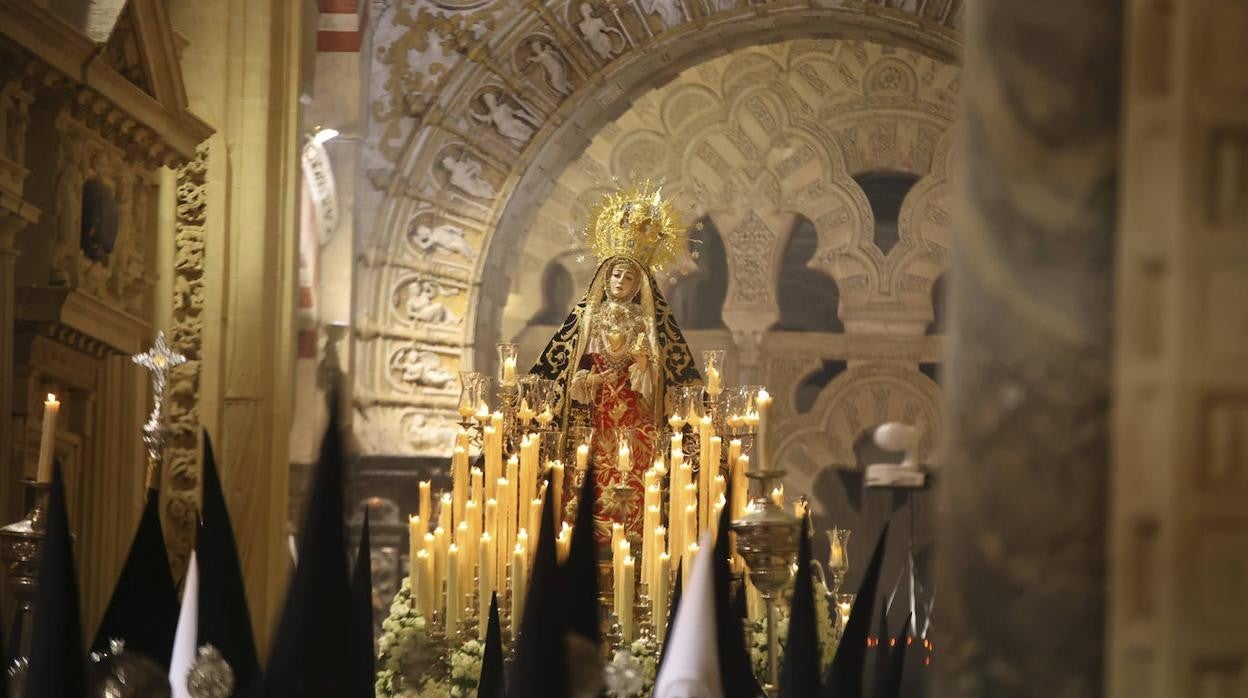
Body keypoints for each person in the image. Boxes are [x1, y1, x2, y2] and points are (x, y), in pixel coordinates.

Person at [531, 184, 701, 543]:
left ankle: (636, 536)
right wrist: (589, 381)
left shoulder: (646, 322)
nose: (619, 281)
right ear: (604, 277)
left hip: (636, 416)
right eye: (614, 275)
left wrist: (643, 365)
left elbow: (660, 380)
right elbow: (569, 372)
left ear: (639, 284)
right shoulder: (588, 320)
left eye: (627, 276)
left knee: (634, 472)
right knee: (591, 470)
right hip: (597, 413)